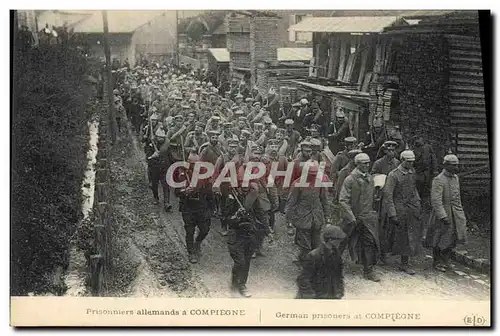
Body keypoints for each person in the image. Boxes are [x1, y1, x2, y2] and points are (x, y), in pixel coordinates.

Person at [339, 153, 381, 282]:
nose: (367, 165)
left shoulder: (370, 178)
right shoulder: (350, 179)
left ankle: (368, 270)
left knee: (369, 242)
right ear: (357, 164)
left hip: (366, 218)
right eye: (364, 163)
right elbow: (343, 200)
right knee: (341, 242)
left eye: (368, 163)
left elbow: (370, 197)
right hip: (352, 218)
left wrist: (376, 198)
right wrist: (350, 217)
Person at [424, 152, 467, 272]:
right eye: (453, 165)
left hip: (455, 213)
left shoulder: (455, 178)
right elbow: (436, 200)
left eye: (457, 165)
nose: (456, 168)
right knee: (439, 238)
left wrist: (460, 214)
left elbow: (457, 197)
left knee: (453, 237)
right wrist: (443, 216)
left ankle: (446, 259)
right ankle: (437, 261)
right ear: (446, 165)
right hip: (443, 213)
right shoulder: (438, 180)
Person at [383, 148, 423, 275]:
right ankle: (381, 255)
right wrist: (392, 213)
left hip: (410, 208)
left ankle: (404, 263)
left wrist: (418, 203)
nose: (411, 164)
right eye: (408, 161)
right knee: (391, 235)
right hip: (398, 208)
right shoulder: (393, 175)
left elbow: (414, 190)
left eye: (412, 161)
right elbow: (388, 195)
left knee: (408, 236)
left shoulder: (412, 172)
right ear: (402, 160)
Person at [285, 160, 332, 265]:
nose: (313, 176)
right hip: (302, 218)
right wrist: (289, 223)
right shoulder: (297, 184)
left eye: (315, 174)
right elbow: (290, 204)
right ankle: (307, 267)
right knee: (305, 245)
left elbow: (325, 201)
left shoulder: (320, 183)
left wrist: (328, 218)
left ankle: (312, 264)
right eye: (311, 174)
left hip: (317, 219)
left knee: (317, 244)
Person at [175, 155, 214, 264]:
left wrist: (212, 208)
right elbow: (177, 192)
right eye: (193, 164)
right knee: (190, 231)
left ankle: (198, 242)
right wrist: (185, 191)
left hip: (202, 206)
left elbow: (210, 193)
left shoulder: (204, 175)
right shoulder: (183, 175)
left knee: (205, 229)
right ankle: (191, 252)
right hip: (188, 207)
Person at [296, 225, 346, 299]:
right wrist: (311, 295)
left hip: (330, 295)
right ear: (330, 240)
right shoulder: (314, 255)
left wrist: (339, 291)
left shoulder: (337, 255)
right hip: (315, 295)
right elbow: (303, 279)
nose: (340, 242)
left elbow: (339, 276)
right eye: (338, 240)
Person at [371, 140, 401, 264]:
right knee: (381, 224)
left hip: (394, 197)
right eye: (389, 150)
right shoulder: (379, 163)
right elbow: (372, 175)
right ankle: (380, 253)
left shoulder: (397, 163)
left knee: (392, 225)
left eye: (393, 150)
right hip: (381, 197)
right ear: (384, 151)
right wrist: (382, 179)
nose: (391, 152)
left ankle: (389, 251)